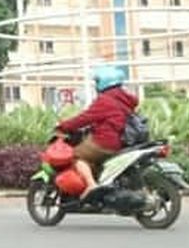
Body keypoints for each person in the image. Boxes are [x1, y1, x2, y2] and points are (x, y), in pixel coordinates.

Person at [55, 64, 139, 198]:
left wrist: (63, 126)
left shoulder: (105, 100)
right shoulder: (125, 99)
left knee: (76, 156)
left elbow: (84, 118)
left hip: (104, 141)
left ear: (105, 82)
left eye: (97, 81)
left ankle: (91, 184)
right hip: (121, 141)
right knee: (92, 157)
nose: (96, 84)